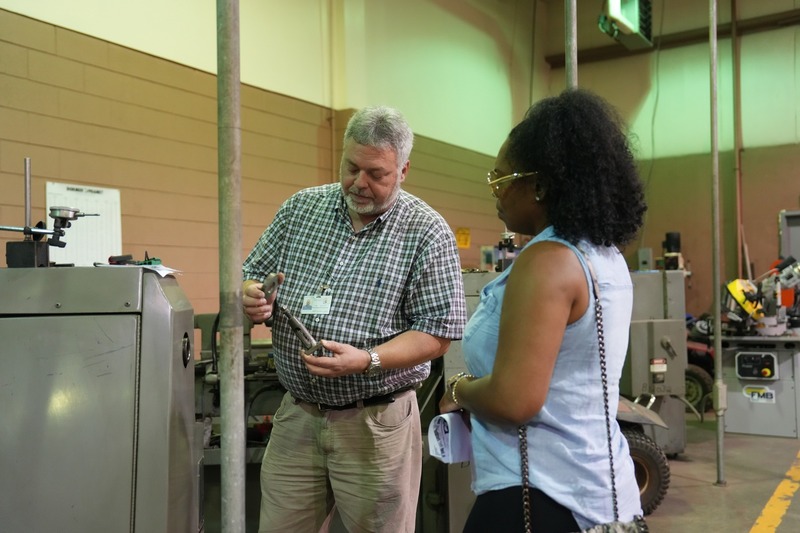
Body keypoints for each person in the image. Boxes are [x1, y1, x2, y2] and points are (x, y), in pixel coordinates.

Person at [242, 105, 467, 533]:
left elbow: (437, 333)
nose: (358, 183)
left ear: (403, 170)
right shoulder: (301, 210)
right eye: (351, 167)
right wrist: (251, 296)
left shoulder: (426, 231)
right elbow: (251, 277)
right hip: (298, 415)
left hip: (375, 425)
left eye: (376, 174)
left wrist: (366, 359)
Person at [439, 88, 648, 532]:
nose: (494, 193)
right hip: (602, 487)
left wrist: (458, 390)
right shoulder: (603, 254)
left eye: (500, 180)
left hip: (539, 493)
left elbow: (515, 400)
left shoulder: (548, 260)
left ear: (538, 184)